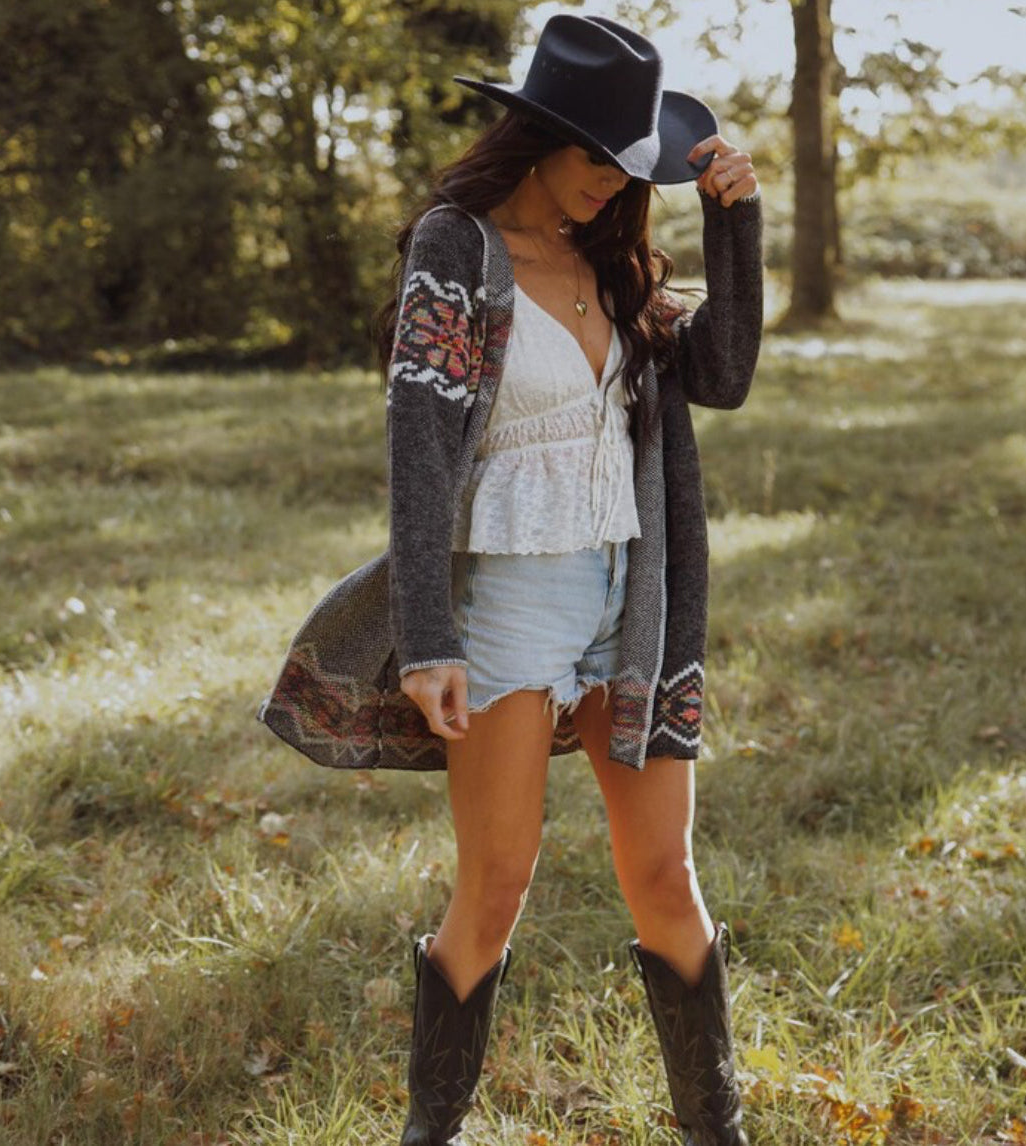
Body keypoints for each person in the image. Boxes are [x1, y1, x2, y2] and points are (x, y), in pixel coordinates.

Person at [255, 12, 763, 1146]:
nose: (609, 183)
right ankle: (430, 1131)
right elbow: (421, 449)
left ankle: (715, 1130)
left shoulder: (613, 263)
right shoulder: (459, 248)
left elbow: (723, 374)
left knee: (666, 876)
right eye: (595, 157)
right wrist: (428, 634)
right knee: (495, 884)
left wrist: (735, 225)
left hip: (635, 598)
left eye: (627, 167)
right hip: (512, 598)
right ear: (538, 135)